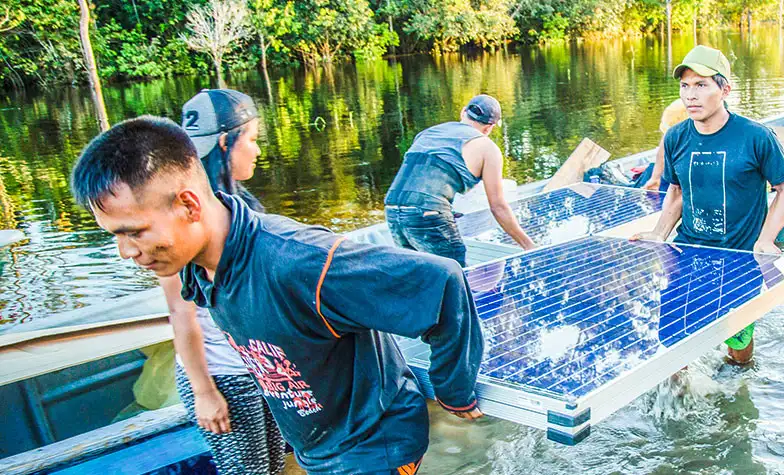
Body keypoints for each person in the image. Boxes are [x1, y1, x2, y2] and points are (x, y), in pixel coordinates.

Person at [70, 116, 484, 474]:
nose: (127, 252)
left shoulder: (298, 262)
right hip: (318, 444)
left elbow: (441, 281)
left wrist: (454, 390)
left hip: (371, 448)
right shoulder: (198, 266)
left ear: (189, 205)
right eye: (116, 237)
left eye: (134, 232)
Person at [631, 45, 784, 365]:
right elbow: (677, 192)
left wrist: (765, 239)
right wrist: (658, 232)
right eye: (685, 86)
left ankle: (739, 379)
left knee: (737, 345)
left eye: (701, 85)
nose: (690, 95)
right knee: (671, 340)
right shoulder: (676, 137)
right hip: (687, 254)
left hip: (739, 257)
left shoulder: (755, 137)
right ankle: (681, 394)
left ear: (724, 90)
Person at [161, 89, 285, 474]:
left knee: (276, 463)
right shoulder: (181, 217)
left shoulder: (236, 206)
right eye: (252, 139)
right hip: (223, 375)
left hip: (258, 364)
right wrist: (204, 392)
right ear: (224, 141)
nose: (257, 150)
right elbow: (182, 315)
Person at [384, 94, 535, 265]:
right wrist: (528, 245)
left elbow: (421, 178)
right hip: (427, 214)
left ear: (463, 112)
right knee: (456, 276)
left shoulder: (428, 133)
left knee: (420, 278)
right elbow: (498, 207)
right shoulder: (488, 148)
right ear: (489, 127)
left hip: (392, 210)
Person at [637, 98, 689, 191]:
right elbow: (665, 145)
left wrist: (655, 177)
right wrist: (655, 177)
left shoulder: (679, 108)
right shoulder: (678, 110)